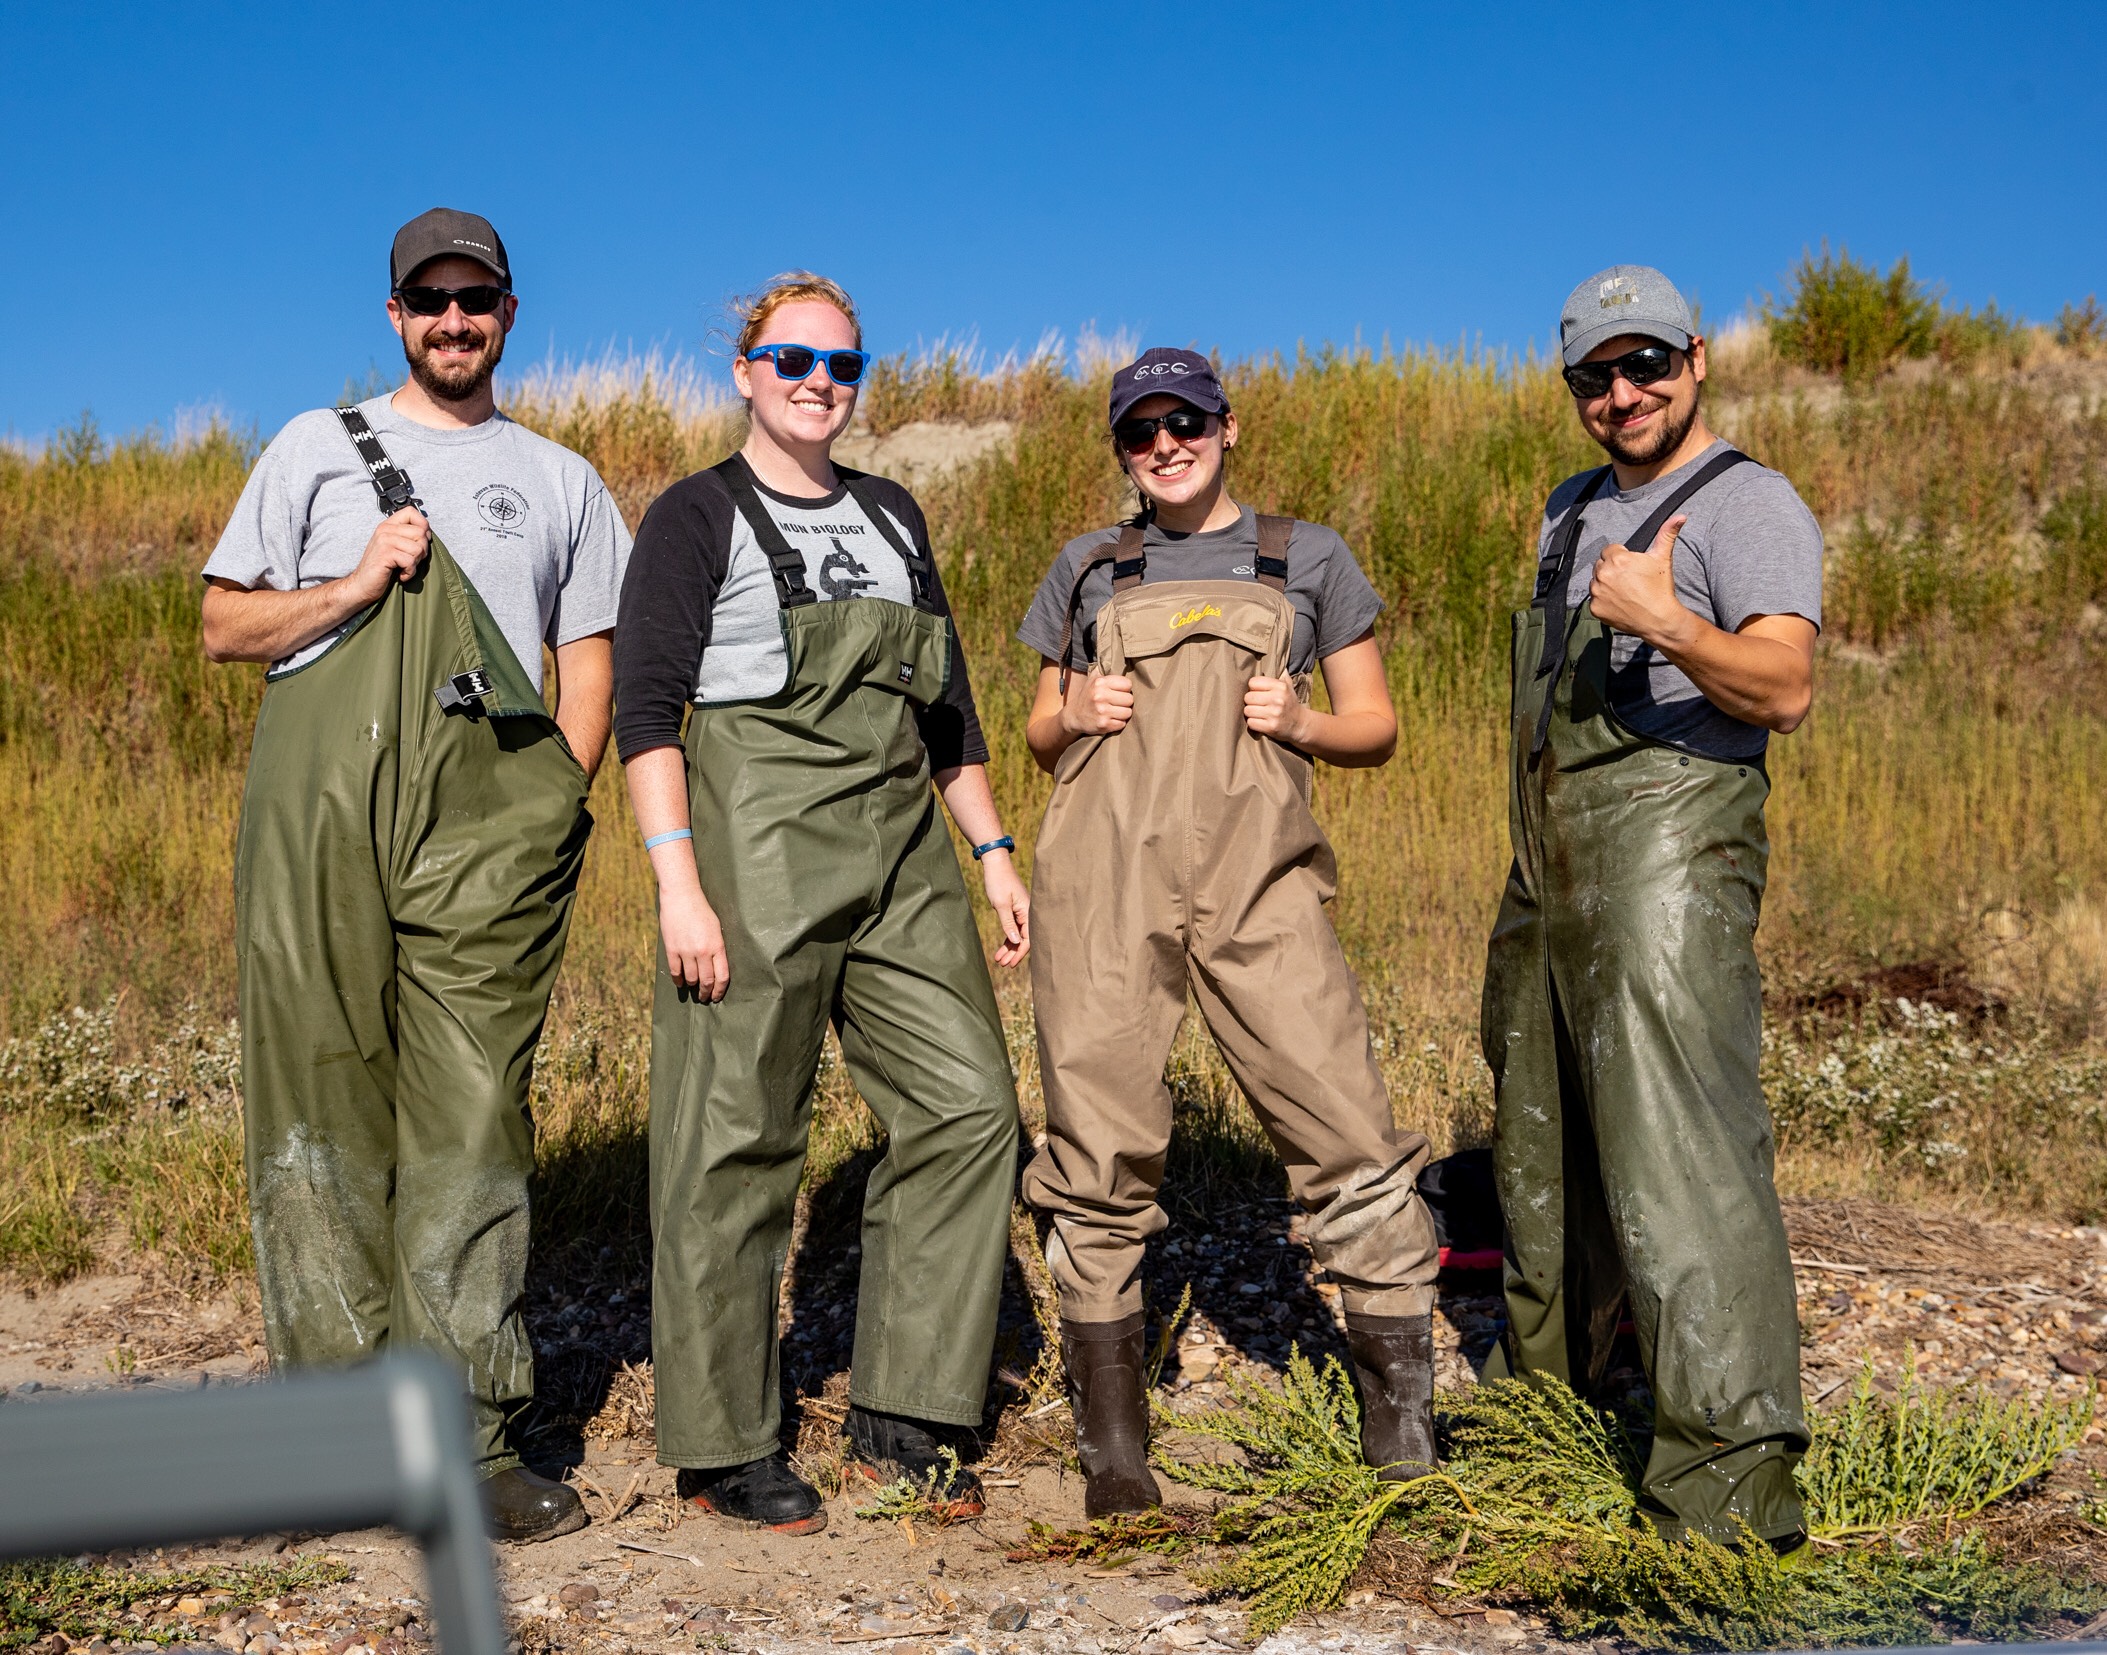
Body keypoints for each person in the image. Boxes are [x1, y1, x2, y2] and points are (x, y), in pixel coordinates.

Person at [201, 209, 631, 1542]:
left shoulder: (559, 480)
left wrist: (554, 799)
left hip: (489, 823)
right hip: (322, 803)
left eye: (476, 298)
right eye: (429, 300)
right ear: (394, 315)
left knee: (470, 1120)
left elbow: (590, 655)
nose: (454, 320)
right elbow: (224, 621)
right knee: (319, 1107)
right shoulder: (313, 448)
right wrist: (346, 584)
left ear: (508, 311)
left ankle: (473, 1437)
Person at [613, 272, 1027, 1537]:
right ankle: (723, 1439)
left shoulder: (895, 515)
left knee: (969, 1105)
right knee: (733, 1137)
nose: (817, 385)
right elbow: (647, 714)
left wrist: (996, 854)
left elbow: (947, 709)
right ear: (744, 370)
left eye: (840, 366)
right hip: (754, 862)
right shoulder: (696, 517)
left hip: (905, 864)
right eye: (791, 360)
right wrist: (679, 887)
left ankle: (905, 1404)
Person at [1016, 348, 1441, 1517]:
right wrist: (1073, 712)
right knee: (1096, 1153)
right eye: (1140, 430)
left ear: (1226, 425)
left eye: (1185, 420)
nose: (1164, 443)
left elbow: (1377, 727)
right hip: (1105, 885)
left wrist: (1301, 716)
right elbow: (1040, 731)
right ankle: (1116, 1457)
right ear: (1122, 448)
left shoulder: (1304, 555)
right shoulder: (1089, 565)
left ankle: (1402, 1436)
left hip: (1259, 883)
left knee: (1347, 1126)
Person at [1480, 265, 1824, 1550]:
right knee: (1543, 1140)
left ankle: (1728, 1485)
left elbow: (1784, 686)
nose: (1621, 394)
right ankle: (1548, 1416)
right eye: (1593, 375)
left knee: (1683, 1157)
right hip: (1553, 858)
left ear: (1693, 359)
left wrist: (1668, 621)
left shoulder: (1748, 503)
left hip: (1673, 858)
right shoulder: (1571, 511)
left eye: (1645, 366)